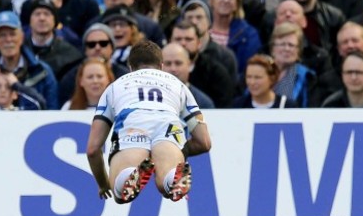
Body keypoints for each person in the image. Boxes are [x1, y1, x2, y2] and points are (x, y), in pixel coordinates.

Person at [86, 40, 211, 203]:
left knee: (121, 193)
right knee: (167, 184)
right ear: (161, 66)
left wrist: (103, 185)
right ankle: (172, 177)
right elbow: (204, 142)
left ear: (130, 67)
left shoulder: (115, 87)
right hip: (168, 126)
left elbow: (93, 149)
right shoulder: (178, 85)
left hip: (132, 124)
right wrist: (180, 149)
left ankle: (128, 175)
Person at [270, 22, 316, 108]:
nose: (286, 49)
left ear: (298, 51)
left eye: (291, 45)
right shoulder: (259, 72)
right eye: (282, 44)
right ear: (273, 48)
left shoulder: (308, 77)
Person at [161, 42, 215, 109]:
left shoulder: (203, 103)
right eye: (168, 63)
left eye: (178, 63)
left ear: (189, 65)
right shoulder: (148, 98)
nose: (173, 69)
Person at [233, 54, 297, 109]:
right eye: (249, 77)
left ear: (272, 78)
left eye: (258, 77)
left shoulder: (287, 106)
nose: (252, 82)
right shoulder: (238, 105)